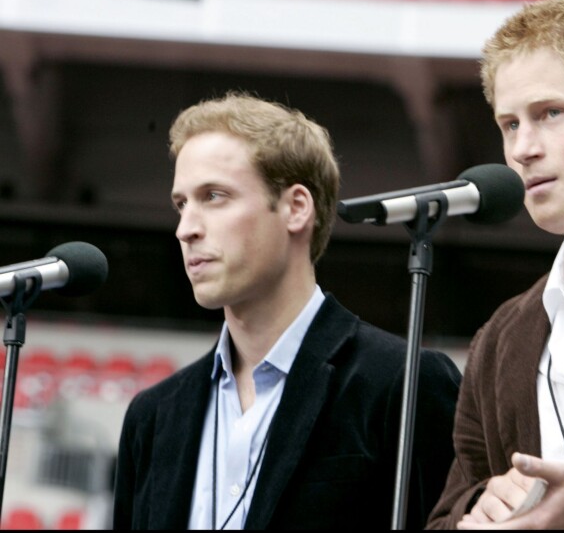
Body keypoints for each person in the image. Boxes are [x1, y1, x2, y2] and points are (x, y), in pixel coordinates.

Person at [111, 91, 461, 529]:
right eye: (182, 204)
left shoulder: (404, 385)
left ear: (296, 208)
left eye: (214, 196)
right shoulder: (153, 416)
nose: (186, 229)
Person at [426, 0, 564, 530]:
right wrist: (477, 507)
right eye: (510, 124)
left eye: (550, 113)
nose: (522, 149)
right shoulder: (501, 336)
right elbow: (444, 515)